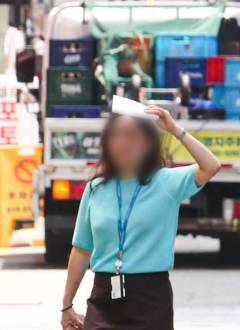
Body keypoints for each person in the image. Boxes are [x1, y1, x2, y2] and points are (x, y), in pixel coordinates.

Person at [60, 107, 221, 330]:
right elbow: (81, 249)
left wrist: (175, 130)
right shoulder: (95, 188)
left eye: (131, 136)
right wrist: (67, 305)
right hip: (104, 297)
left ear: (148, 143)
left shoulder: (167, 182)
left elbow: (211, 166)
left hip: (151, 300)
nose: (123, 143)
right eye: (116, 136)